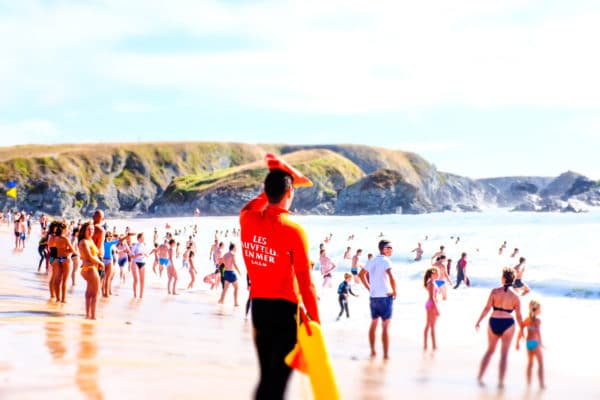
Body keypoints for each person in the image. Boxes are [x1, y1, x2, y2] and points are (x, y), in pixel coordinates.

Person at [239, 154, 320, 400]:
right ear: (290, 193)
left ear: (265, 191)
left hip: (260, 309)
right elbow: (306, 284)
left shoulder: (247, 219)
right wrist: (316, 323)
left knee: (267, 378)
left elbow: (251, 205)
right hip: (285, 312)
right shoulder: (294, 231)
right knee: (278, 382)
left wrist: (275, 183)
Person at [475, 267, 523, 389]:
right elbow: (519, 316)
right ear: (512, 280)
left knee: (490, 351)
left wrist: (479, 321)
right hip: (508, 323)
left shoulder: (494, 291)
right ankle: (501, 382)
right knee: (504, 354)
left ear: (503, 278)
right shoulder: (516, 296)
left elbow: (486, 308)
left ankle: (480, 377)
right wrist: (522, 330)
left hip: (494, 321)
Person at [358, 239, 397, 360]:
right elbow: (391, 277)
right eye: (389, 248)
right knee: (385, 326)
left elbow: (361, 274)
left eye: (391, 248)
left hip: (374, 297)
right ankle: (385, 355)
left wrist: (369, 289)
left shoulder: (372, 260)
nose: (391, 250)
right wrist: (395, 291)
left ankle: (373, 351)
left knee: (374, 323)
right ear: (384, 249)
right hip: (385, 296)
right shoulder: (386, 261)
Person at [516, 300, 545, 389]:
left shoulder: (527, 320)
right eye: (540, 309)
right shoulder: (538, 321)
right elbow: (538, 332)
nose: (541, 311)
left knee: (530, 364)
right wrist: (541, 343)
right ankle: (541, 385)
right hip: (535, 343)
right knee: (540, 364)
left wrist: (517, 342)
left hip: (528, 343)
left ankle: (528, 384)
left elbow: (521, 330)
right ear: (536, 310)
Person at [78, 222, 104, 320]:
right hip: (90, 269)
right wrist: (101, 263)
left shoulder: (90, 241)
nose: (91, 231)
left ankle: (88, 314)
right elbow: (89, 256)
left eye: (92, 229)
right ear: (84, 230)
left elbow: (91, 255)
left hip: (89, 268)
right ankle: (93, 316)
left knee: (89, 293)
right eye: (89, 229)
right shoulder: (84, 242)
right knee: (96, 293)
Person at [423, 266, 440, 350]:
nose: (439, 274)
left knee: (429, 325)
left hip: (430, 304)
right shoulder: (432, 283)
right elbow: (432, 297)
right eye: (437, 272)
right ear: (433, 273)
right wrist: (436, 309)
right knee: (432, 326)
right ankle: (433, 346)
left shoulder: (431, 282)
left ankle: (426, 345)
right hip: (431, 305)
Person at [131, 233, 149, 299]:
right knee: (136, 280)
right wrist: (138, 255)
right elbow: (131, 256)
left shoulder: (145, 245)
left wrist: (146, 255)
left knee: (142, 280)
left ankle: (141, 296)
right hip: (135, 262)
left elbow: (147, 254)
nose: (143, 239)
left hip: (142, 262)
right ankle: (135, 294)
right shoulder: (135, 245)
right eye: (141, 238)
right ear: (138, 239)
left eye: (143, 238)